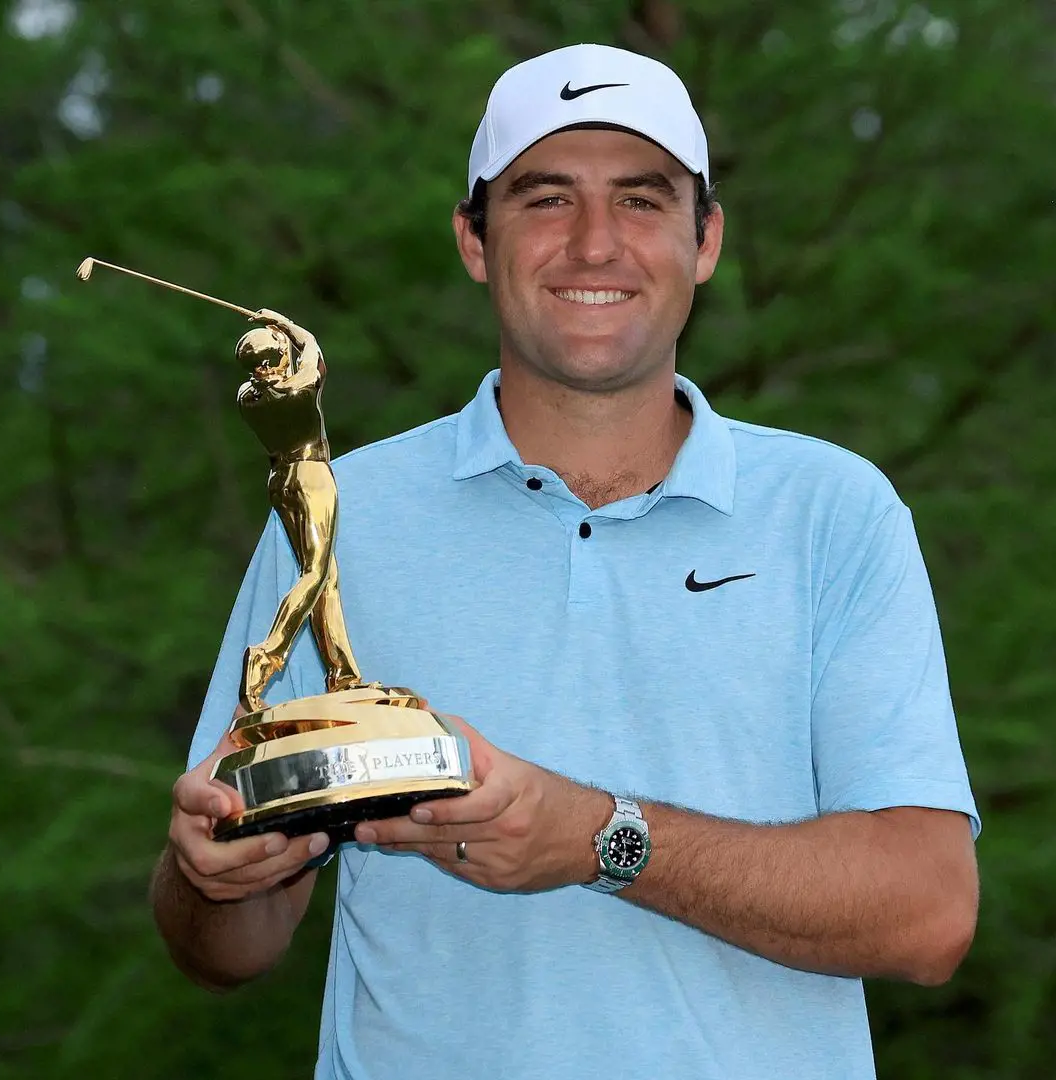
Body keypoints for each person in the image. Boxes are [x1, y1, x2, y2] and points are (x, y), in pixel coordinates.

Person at [150, 43, 980, 1080]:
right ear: (472, 238)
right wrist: (215, 879)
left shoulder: (837, 511)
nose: (596, 245)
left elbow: (929, 911)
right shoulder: (337, 509)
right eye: (546, 199)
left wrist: (598, 837)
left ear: (706, 238)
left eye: (641, 200)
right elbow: (226, 949)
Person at [234, 310, 362, 708]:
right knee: (315, 573)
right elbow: (313, 348)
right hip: (311, 476)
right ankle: (267, 655)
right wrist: (282, 322)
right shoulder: (297, 390)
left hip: (279, 481)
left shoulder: (248, 397)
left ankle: (342, 673)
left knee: (327, 578)